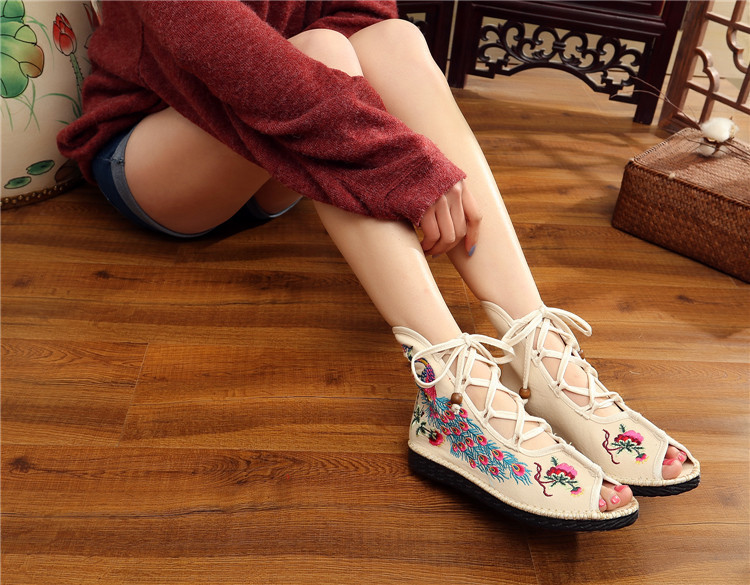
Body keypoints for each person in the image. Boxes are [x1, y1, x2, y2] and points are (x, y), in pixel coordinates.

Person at [58, 0, 699, 531]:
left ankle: (539, 350)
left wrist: (404, 158)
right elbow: (219, 49)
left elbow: (360, 16)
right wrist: (405, 166)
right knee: (319, 53)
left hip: (278, 155)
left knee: (391, 38)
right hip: (157, 153)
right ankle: (453, 395)